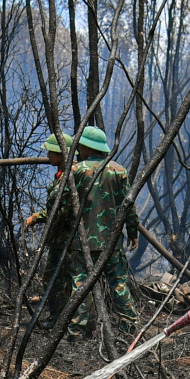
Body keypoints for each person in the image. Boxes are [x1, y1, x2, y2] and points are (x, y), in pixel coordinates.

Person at [66, 126, 140, 338]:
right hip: (112, 242)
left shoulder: (76, 171)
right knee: (118, 284)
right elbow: (129, 205)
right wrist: (133, 232)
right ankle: (129, 328)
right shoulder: (119, 171)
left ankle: (78, 331)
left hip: (82, 242)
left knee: (80, 285)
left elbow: (63, 205)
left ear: (86, 148)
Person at [22, 132, 76, 319]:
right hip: (60, 238)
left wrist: (38, 217)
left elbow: (60, 209)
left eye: (50, 152)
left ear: (61, 153)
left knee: (61, 280)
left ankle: (62, 319)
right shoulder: (63, 175)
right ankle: (58, 318)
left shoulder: (71, 176)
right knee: (54, 279)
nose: (47, 156)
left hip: (68, 239)